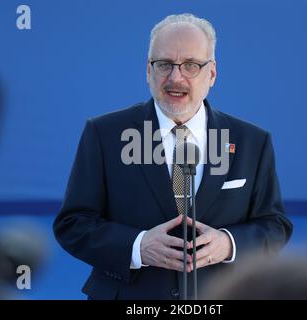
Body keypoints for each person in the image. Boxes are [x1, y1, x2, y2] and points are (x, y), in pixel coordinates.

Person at [53, 13, 293, 300]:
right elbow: (73, 224)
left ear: (212, 73)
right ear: (148, 70)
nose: (175, 77)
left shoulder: (252, 141)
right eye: (164, 64)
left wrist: (229, 244)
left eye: (191, 65)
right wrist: (137, 246)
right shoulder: (103, 134)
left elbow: (274, 225)